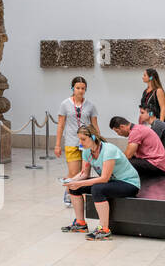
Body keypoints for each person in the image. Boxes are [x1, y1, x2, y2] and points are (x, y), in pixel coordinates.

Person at [62, 124, 140, 239]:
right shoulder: (87, 151)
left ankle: (104, 229)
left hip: (128, 183)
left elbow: (104, 178)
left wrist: (79, 182)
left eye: (83, 139)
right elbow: (84, 174)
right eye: (79, 139)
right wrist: (72, 181)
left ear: (93, 137)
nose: (81, 142)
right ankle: (80, 224)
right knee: (75, 187)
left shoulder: (109, 150)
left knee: (97, 188)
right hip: (112, 182)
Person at [55, 76, 99, 206]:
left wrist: (98, 142)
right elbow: (60, 125)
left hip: (87, 144)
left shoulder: (90, 106)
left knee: (84, 173)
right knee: (74, 172)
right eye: (78, 88)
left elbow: (95, 125)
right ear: (73, 88)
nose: (80, 91)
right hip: (71, 142)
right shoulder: (65, 104)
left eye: (83, 88)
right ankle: (69, 191)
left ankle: (80, 195)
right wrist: (57, 145)